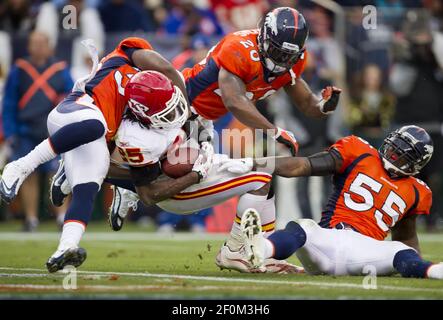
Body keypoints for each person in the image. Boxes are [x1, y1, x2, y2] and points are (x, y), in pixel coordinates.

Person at [51, 70, 303, 274]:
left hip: (194, 166)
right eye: (165, 109)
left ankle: (262, 252)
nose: (174, 111)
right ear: (143, 114)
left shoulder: (165, 99)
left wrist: (204, 142)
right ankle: (235, 251)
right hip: (178, 190)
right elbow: (151, 194)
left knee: (262, 172)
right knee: (260, 176)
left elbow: (194, 119)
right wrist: (197, 174)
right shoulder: (136, 139)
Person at [0, 36, 187, 273]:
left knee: (89, 185)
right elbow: (165, 67)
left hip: (91, 133)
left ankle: (66, 247)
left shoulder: (131, 111)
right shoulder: (127, 54)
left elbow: (117, 155)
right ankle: (21, 166)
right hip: (74, 111)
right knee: (96, 125)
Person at [231, 126, 443, 279]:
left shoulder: (418, 191)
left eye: (404, 155)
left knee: (399, 250)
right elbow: (303, 165)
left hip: (365, 251)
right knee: (304, 227)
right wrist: (259, 164)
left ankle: (434, 271)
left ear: (417, 164)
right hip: (329, 239)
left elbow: (406, 236)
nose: (395, 155)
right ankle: (260, 250)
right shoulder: (360, 152)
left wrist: (413, 259)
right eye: (395, 148)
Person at [182, 7, 342, 157]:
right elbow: (234, 101)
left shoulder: (296, 61)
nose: (282, 61)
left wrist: (323, 106)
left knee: (251, 180)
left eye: (289, 56)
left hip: (206, 120)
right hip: (180, 106)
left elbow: (307, 103)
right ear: (263, 39)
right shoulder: (239, 48)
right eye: (276, 52)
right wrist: (275, 132)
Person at [2, 31, 73, 231]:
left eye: (42, 43)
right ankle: (31, 218)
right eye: (34, 43)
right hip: (25, 130)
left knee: (56, 173)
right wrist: (10, 132)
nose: (38, 47)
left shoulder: (60, 69)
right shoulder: (19, 69)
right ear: (29, 46)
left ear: (49, 46)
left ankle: (61, 218)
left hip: (52, 130)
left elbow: (72, 96)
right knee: (27, 174)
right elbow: (9, 104)